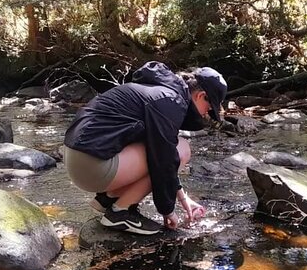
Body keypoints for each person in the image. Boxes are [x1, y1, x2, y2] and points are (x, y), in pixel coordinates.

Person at [63, 61, 228, 235]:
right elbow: (164, 160)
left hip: (79, 158)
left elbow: (160, 150)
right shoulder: (171, 101)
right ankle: (120, 212)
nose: (205, 115)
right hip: (92, 165)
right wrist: (168, 210)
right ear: (200, 96)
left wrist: (182, 197)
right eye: (209, 109)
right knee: (183, 149)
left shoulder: (159, 90)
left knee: (167, 149)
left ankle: (108, 199)